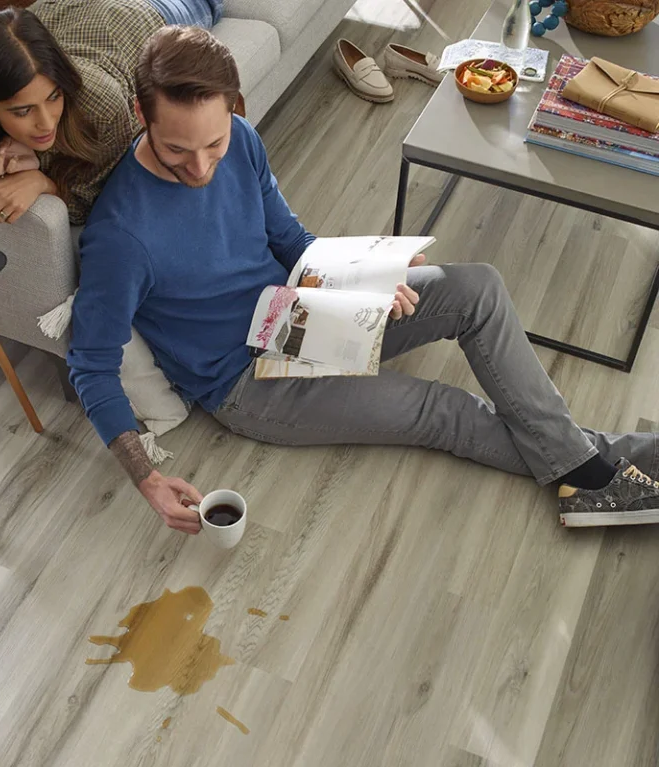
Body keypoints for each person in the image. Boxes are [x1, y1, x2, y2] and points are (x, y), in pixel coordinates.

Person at [68, 26, 659, 534]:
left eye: (213, 144)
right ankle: (603, 472)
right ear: (141, 115)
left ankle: (594, 474)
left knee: (477, 288)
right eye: (177, 149)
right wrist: (147, 479)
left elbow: (292, 242)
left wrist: (371, 279)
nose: (199, 167)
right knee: (440, 410)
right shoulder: (122, 237)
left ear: (234, 110)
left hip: (304, 312)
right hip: (248, 383)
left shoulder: (243, 140)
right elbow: (91, 365)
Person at [0, 0, 223, 225]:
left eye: (54, 97)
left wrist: (41, 180)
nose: (46, 122)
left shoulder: (101, 104)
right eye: (22, 111)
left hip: (150, 10)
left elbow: (106, 197)